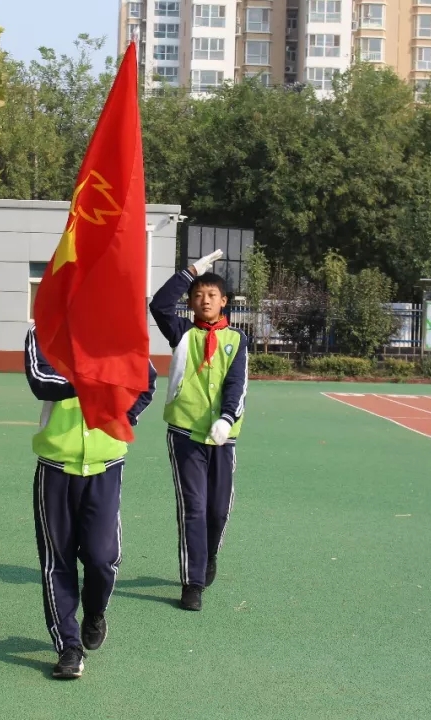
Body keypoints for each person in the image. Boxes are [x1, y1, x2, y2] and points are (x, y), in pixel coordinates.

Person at [24, 325, 157, 680]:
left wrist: (124, 416)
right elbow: (40, 380)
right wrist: (92, 379)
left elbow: (147, 379)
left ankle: (95, 611)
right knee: (58, 561)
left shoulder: (114, 324)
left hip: (105, 464)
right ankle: (68, 645)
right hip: (56, 465)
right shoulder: (44, 330)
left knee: (102, 558)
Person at [149, 249, 248, 612]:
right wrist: (189, 273)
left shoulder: (236, 341)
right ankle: (192, 582)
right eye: (198, 295)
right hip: (185, 433)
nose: (204, 300)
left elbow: (237, 383)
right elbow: (159, 305)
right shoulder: (182, 332)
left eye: (212, 295)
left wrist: (226, 418)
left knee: (218, 510)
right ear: (191, 302)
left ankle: (208, 555)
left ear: (224, 302)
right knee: (193, 507)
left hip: (223, 436)